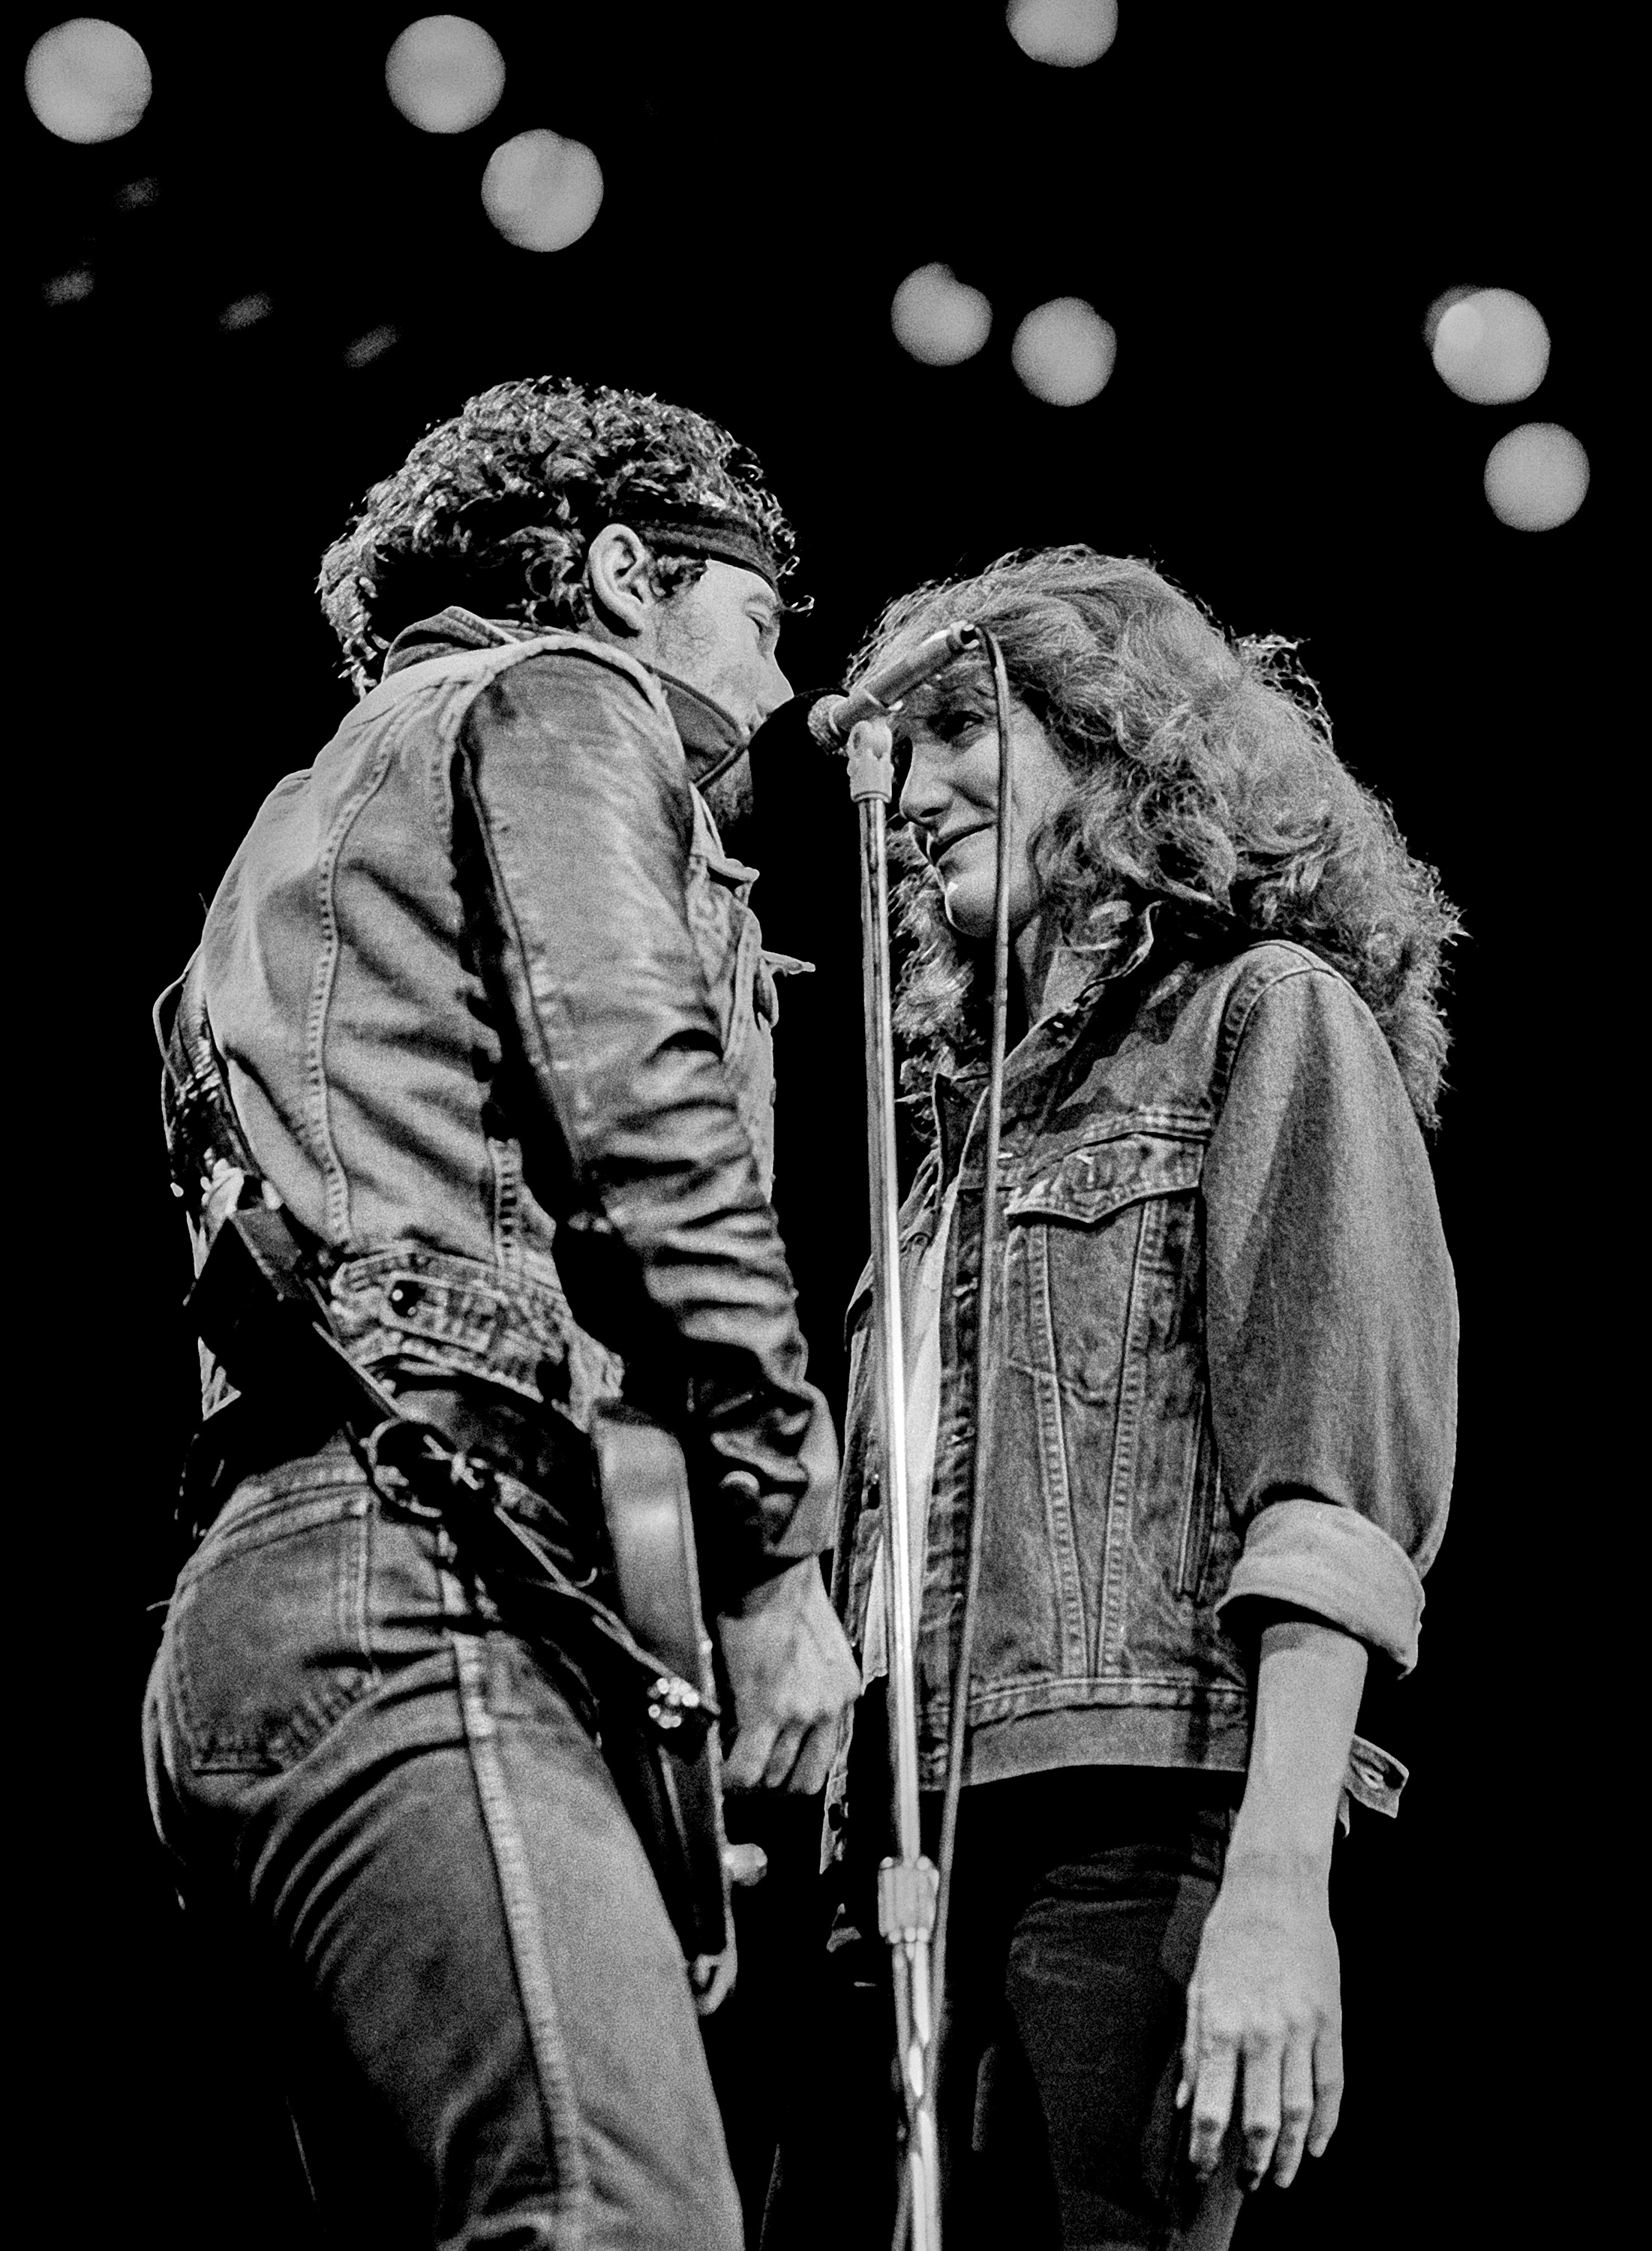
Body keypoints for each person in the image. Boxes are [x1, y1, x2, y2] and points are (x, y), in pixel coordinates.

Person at [142, 374, 859, 2250]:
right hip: (418, 1574)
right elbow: (638, 1107)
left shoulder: (317, 809)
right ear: (629, 575)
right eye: (766, 622)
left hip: (275, 1603)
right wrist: (786, 1542)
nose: (784, 694)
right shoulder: (557, 704)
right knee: (625, 2220)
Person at [815, 547, 1458, 2249]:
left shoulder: (1270, 1019)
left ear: (1121, 756)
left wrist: (1275, 1892)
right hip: (904, 1869)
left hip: (1140, 1831)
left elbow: (1333, 1500)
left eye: (967, 728)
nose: (913, 790)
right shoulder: (947, 1141)